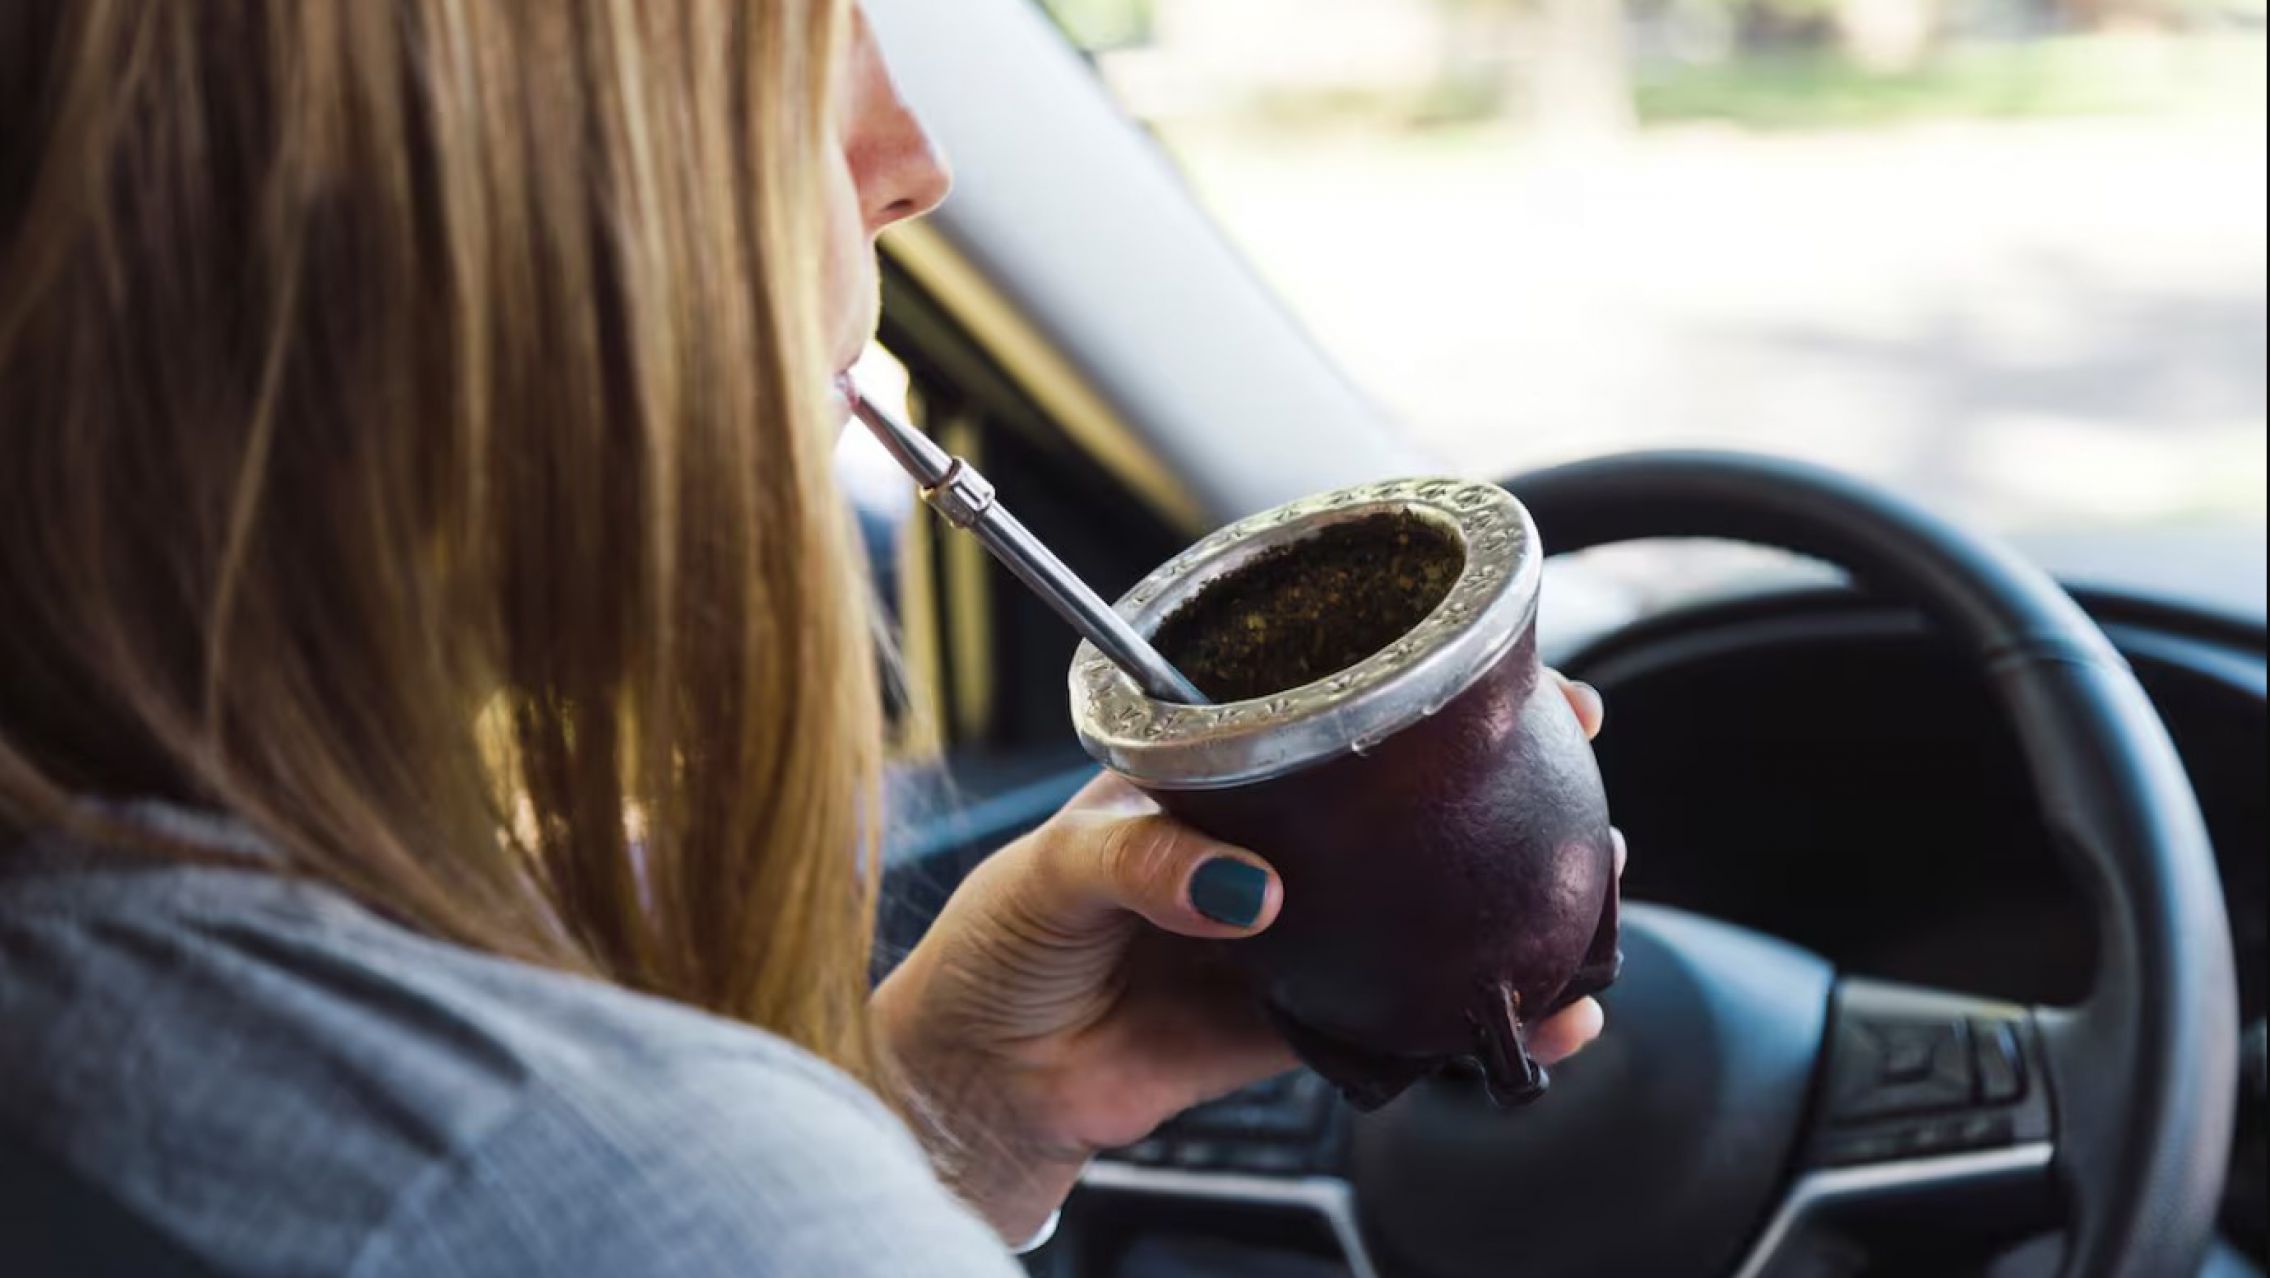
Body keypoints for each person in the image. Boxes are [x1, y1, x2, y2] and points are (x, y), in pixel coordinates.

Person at [0, 2, 1616, 1273]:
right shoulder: (597, 1192)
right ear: (443, 207)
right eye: (787, 46)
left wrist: (943, 1120)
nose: (909, 158)